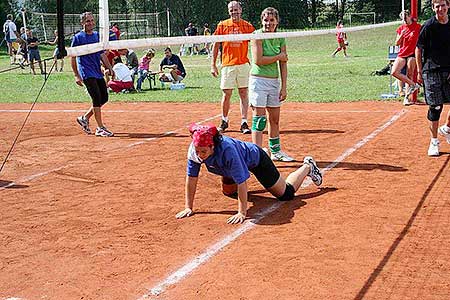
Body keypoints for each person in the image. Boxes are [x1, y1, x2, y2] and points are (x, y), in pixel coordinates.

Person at [175, 123, 323, 224]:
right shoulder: (194, 150)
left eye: (203, 151)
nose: (200, 154)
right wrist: (189, 207)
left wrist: (242, 212)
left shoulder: (228, 151)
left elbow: (241, 181)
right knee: (229, 192)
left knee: (286, 194)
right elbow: (191, 178)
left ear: (212, 146)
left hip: (255, 160)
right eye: (197, 150)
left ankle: (307, 167)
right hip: (226, 167)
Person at [249, 7, 293, 162]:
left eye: (271, 20)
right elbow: (258, 60)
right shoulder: (256, 35)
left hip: (274, 81)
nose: (268, 23)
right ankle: (257, 155)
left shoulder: (280, 37)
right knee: (259, 119)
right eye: (266, 20)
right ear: (262, 21)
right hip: (258, 81)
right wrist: (279, 56)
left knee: (274, 119)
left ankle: (275, 151)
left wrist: (284, 86)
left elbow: (284, 62)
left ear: (277, 21)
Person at [211, 1, 255, 134]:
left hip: (243, 64)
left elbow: (256, 42)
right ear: (228, 11)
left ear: (241, 10)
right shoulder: (223, 25)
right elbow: (216, 44)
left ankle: (244, 122)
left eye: (236, 9)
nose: (234, 12)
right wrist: (213, 65)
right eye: (231, 10)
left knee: (243, 92)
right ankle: (224, 121)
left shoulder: (247, 25)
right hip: (228, 64)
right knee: (226, 93)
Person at [71, 12, 115, 137]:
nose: (90, 23)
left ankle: (84, 118)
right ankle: (100, 128)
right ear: (82, 23)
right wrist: (76, 75)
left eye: (91, 20)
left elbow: (102, 54)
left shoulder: (97, 36)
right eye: (87, 21)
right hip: (86, 72)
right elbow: (73, 57)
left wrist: (110, 68)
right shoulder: (78, 37)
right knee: (96, 98)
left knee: (104, 98)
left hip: (97, 71)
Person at [415, 0, 450, 156]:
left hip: (449, 70)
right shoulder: (428, 26)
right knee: (435, 107)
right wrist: (419, 71)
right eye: (437, 6)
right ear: (433, 8)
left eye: (443, 5)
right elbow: (418, 48)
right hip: (432, 70)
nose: (440, 9)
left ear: (448, 6)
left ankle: (447, 128)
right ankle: (434, 141)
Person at [392, 10, 421, 106]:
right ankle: (414, 85)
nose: (404, 20)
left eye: (406, 17)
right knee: (394, 72)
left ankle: (406, 97)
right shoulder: (401, 28)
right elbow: (397, 43)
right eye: (403, 18)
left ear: (409, 16)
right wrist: (401, 35)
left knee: (409, 73)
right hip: (402, 53)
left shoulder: (417, 27)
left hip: (412, 53)